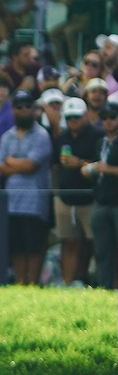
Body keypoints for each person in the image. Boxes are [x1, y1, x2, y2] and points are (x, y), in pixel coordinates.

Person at [0, 90, 52, 285]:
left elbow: (31, 167)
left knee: (34, 247)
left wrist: (11, 160)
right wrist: (17, 164)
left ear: (34, 109)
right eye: (19, 107)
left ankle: (33, 284)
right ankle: (21, 284)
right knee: (17, 247)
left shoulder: (42, 135)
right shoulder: (7, 136)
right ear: (13, 110)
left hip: (34, 202)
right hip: (11, 202)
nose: (24, 110)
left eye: (28, 106)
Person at [52, 96, 102, 286]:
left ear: (85, 115)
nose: (73, 120)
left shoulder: (97, 135)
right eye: (69, 116)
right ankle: (68, 283)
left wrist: (79, 163)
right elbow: (55, 167)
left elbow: (101, 165)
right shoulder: (61, 138)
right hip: (65, 199)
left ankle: (96, 281)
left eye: (77, 116)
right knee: (69, 242)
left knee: (94, 243)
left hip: (90, 199)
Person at [81, 97, 118, 288]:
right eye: (104, 117)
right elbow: (99, 167)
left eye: (113, 116)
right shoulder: (100, 142)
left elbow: (106, 168)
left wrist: (108, 169)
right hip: (101, 201)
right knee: (102, 250)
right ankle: (105, 289)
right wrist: (89, 170)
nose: (108, 121)